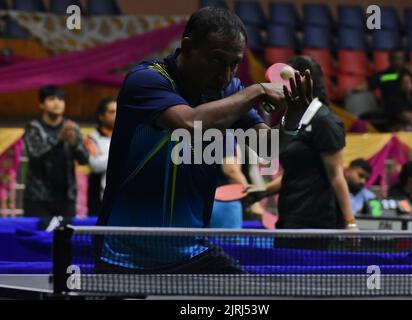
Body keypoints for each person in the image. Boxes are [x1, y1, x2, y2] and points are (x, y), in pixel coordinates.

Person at [96, 7, 287, 273]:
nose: (226, 76)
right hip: (124, 253)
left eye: (234, 64)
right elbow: (189, 124)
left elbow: (267, 147)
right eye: (218, 61)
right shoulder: (146, 81)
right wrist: (257, 90)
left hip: (190, 251)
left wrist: (294, 117)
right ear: (188, 46)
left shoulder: (229, 91)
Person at [247, 55, 357, 235]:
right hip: (289, 216)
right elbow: (297, 172)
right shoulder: (294, 121)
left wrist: (350, 223)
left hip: (315, 222)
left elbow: (336, 176)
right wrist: (263, 191)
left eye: (284, 79)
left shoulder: (324, 121)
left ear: (303, 82)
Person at [23, 85, 89, 228]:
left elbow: (84, 159)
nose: (57, 102)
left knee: (65, 241)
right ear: (42, 104)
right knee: (38, 239)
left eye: (61, 99)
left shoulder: (72, 127)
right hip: (38, 199)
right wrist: (59, 138)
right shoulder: (33, 127)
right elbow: (35, 154)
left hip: (66, 198)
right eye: (51, 99)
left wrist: (74, 144)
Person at [85, 97, 117, 216]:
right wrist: (120, 153)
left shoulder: (127, 137)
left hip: (121, 198)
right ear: (101, 116)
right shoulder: (92, 138)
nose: (116, 115)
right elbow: (95, 165)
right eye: (112, 112)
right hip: (99, 199)